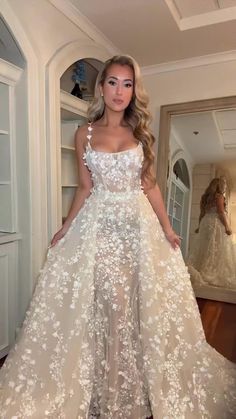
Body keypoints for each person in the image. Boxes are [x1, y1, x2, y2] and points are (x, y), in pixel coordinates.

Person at [0, 55, 236, 419]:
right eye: (113, 82)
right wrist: (66, 226)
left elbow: (151, 186)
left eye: (127, 84)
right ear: (101, 87)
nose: (119, 91)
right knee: (99, 305)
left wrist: (167, 228)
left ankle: (129, 381)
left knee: (129, 306)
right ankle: (100, 381)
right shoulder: (84, 133)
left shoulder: (140, 133)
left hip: (135, 229)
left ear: (133, 90)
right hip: (97, 228)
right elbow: (84, 186)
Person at [187, 177, 236, 289]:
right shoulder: (219, 196)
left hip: (205, 223)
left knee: (205, 247)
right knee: (216, 247)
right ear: (219, 186)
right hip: (215, 223)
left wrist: (199, 226)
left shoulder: (205, 198)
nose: (225, 187)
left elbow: (202, 214)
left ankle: (202, 269)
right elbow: (220, 212)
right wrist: (227, 226)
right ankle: (211, 271)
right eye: (224, 185)